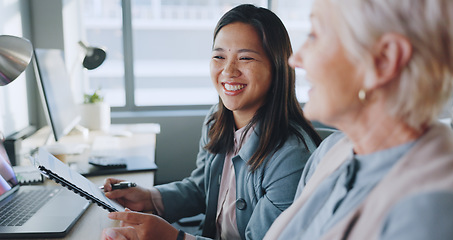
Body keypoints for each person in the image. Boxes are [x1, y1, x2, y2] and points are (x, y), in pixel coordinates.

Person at [101, 4, 321, 240]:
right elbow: (202, 189)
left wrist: (175, 238)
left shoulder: (292, 156)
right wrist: (148, 197)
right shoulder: (216, 122)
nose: (228, 70)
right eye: (219, 56)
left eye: (245, 58)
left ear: (276, 67)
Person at [263, 0, 453, 239]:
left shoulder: (430, 214)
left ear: (383, 60)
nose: (295, 59)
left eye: (314, 35)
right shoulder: (331, 151)